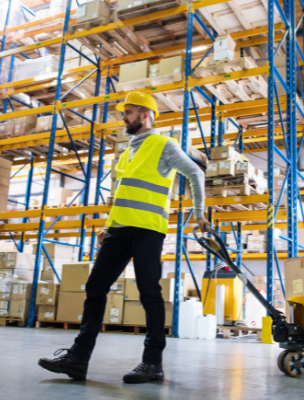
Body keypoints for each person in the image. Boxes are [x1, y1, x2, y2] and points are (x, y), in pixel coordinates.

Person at [38, 92, 210, 384]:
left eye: (128, 112)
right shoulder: (128, 151)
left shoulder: (162, 144)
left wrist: (198, 212)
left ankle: (152, 362)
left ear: (145, 115)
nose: (123, 117)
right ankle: (78, 359)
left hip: (148, 230)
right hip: (119, 230)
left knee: (149, 293)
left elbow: (195, 172)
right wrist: (108, 225)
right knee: (95, 287)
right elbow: (122, 195)